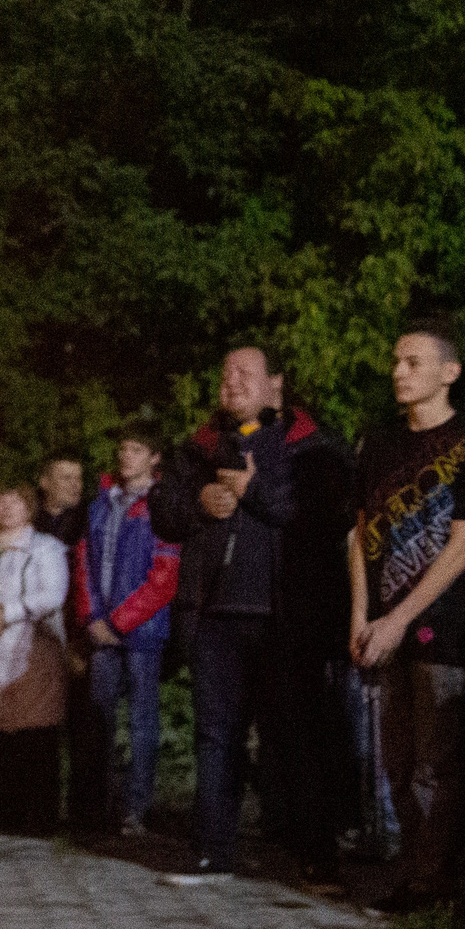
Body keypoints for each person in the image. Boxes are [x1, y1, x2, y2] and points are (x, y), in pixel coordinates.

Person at [151, 346, 333, 883]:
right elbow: (163, 514)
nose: (230, 383)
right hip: (215, 613)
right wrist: (199, 500)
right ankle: (213, 853)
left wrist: (252, 490)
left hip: (284, 616)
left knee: (296, 737)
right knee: (216, 734)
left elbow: (316, 515)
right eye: (225, 373)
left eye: (244, 374)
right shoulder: (198, 447)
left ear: (276, 383)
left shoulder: (310, 445)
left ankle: (316, 857)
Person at [348, 326, 465, 911]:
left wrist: (401, 618)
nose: (399, 372)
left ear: (450, 371)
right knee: (396, 759)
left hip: (445, 623)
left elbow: (463, 547)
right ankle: (412, 868)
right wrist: (363, 613)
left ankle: (432, 880)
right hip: (385, 621)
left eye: (414, 362)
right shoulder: (380, 445)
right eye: (396, 361)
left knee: (436, 760)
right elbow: (360, 532)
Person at [67, 426, 179, 840]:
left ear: (154, 458)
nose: (126, 456)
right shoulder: (101, 504)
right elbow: (84, 564)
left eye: (136, 449)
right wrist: (93, 617)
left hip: (143, 632)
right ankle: (97, 808)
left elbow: (164, 577)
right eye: (123, 449)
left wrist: (118, 622)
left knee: (141, 722)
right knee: (98, 721)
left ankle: (136, 809)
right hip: (102, 632)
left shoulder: (161, 504)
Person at [0, 485, 70, 834]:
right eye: (0, 500)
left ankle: (40, 816)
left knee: (36, 731)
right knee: (2, 731)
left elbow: (52, 594)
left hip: (33, 647)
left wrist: (7, 613)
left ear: (29, 508)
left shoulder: (47, 549)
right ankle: (6, 812)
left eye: (15, 502)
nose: (6, 508)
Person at [35, 456, 88, 550]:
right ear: (45, 482)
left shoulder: (91, 520)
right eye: (66, 478)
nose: (75, 485)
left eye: (78, 478)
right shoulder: (26, 520)